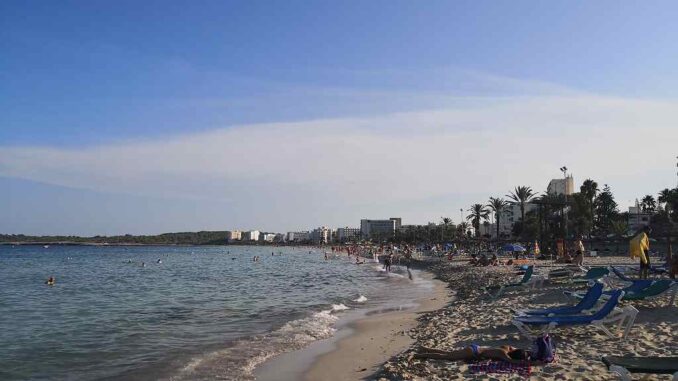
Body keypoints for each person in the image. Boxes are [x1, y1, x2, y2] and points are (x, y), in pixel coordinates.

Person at [410, 345, 530, 362]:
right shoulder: (503, 354)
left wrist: (528, 353)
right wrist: (533, 362)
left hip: (474, 348)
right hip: (473, 352)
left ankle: (425, 348)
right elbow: (513, 362)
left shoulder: (507, 347)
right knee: (447, 357)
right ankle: (419, 355)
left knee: (448, 353)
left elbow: (519, 350)